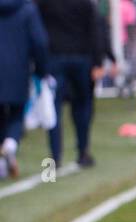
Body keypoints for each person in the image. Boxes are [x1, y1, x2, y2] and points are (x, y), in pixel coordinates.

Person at [36, 0, 98, 167]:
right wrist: (97, 61)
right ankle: (83, 150)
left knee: (54, 107)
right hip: (80, 58)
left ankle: (55, 155)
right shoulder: (85, 3)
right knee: (82, 105)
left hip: (55, 57)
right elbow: (93, 31)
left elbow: (38, 30)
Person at [0, 0, 49, 178]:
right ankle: (10, 145)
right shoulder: (27, 9)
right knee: (16, 113)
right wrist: (42, 69)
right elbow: (39, 41)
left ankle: (3, 160)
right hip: (17, 70)